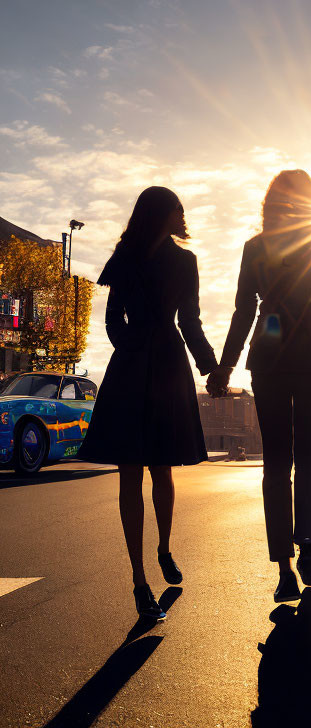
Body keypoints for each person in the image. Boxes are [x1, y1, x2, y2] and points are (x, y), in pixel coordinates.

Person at [207, 170, 311, 602]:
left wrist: (225, 365)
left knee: (280, 461)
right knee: (304, 456)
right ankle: (303, 551)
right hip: (310, 355)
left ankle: (288, 565)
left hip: (275, 353)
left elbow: (245, 312)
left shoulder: (261, 247)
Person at [79, 187, 217, 620]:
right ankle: (140, 582)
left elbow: (191, 320)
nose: (183, 214)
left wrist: (211, 367)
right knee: (130, 472)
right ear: (159, 213)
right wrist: (129, 346)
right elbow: (111, 315)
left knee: (163, 467)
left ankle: (163, 549)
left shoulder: (185, 262)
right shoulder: (125, 256)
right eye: (177, 207)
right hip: (131, 368)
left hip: (170, 367)